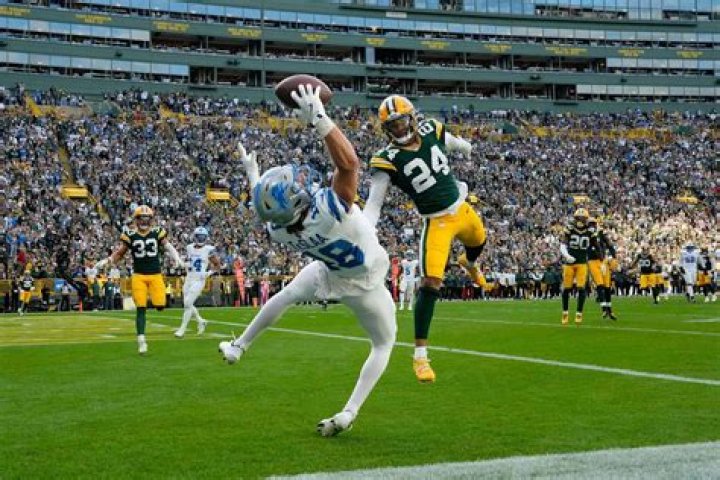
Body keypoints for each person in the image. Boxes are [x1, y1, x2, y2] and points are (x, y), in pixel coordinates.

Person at [219, 84, 396, 437]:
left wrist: (254, 176)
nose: (301, 182)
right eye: (295, 187)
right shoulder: (328, 208)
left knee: (285, 295)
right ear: (298, 201)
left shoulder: (281, 231)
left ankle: (240, 346)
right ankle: (349, 411)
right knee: (383, 344)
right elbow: (349, 163)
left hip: (327, 272)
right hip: (364, 279)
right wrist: (320, 119)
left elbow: (267, 209)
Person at [363, 95, 486, 383]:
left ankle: (469, 263)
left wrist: (466, 147)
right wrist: (366, 228)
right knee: (430, 283)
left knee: (479, 242)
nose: (399, 128)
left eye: (402, 121)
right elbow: (374, 203)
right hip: (437, 222)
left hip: (463, 209)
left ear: (412, 118)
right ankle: (420, 356)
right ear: (386, 129)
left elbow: (451, 141)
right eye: (392, 125)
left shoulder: (431, 129)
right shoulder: (387, 159)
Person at [95, 205, 183, 355]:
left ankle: (153, 302)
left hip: (155, 275)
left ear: (151, 220)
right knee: (141, 308)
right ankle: (141, 341)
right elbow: (120, 253)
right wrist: (107, 261)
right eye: (141, 218)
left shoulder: (157, 232)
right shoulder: (130, 235)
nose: (144, 221)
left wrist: (177, 258)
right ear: (136, 220)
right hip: (139, 276)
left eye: (147, 218)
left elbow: (168, 246)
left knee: (160, 305)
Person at [175, 226, 222, 338]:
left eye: (203, 237)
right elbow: (190, 262)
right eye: (199, 237)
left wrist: (208, 273)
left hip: (199, 280)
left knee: (187, 303)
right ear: (195, 237)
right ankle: (201, 321)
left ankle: (182, 329)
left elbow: (217, 265)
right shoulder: (189, 247)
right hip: (189, 278)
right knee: (188, 303)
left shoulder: (209, 249)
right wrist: (184, 264)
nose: (201, 239)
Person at [559, 208, 594, 325]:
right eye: (579, 218)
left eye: (583, 218)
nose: (581, 220)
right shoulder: (570, 228)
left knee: (581, 288)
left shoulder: (590, 231)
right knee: (566, 289)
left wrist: (602, 259)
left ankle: (579, 313)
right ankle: (565, 312)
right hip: (570, 263)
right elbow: (562, 244)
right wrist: (567, 256)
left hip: (582, 262)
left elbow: (596, 245)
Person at [587, 217, 617, 320]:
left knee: (607, 286)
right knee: (599, 284)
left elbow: (609, 244)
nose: (591, 226)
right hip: (592, 261)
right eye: (590, 224)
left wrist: (614, 257)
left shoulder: (600, 233)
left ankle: (610, 310)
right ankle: (604, 309)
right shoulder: (585, 234)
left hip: (603, 261)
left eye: (593, 224)